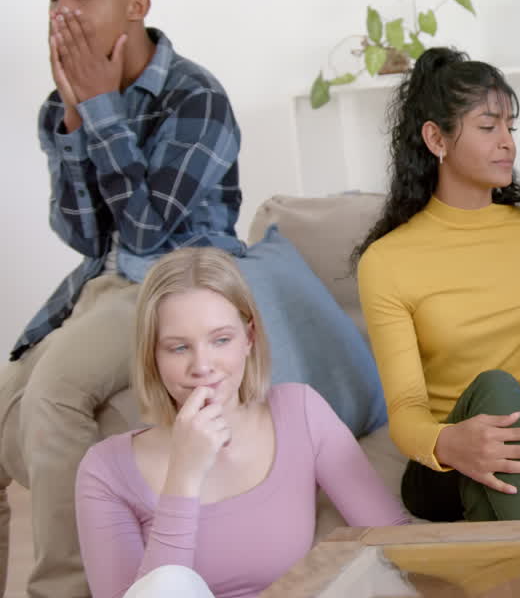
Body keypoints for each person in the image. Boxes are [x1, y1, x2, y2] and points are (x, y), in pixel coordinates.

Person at [0, 0, 243, 598]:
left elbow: (147, 233)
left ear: (136, 6)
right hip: (107, 279)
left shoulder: (195, 96)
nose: (62, 11)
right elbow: (81, 232)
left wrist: (103, 110)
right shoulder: (63, 102)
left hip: (179, 278)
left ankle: (64, 591)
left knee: (53, 394)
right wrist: (77, 120)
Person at [355, 47, 520, 522]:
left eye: (510, 127)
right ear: (436, 138)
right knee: (495, 401)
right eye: (488, 127)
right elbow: (406, 409)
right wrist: (451, 442)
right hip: (443, 457)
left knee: (501, 454)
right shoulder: (386, 260)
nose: (508, 143)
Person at [74, 247, 409, 598]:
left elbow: (394, 542)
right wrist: (184, 478)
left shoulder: (300, 411)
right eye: (178, 348)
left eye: (221, 339)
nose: (202, 366)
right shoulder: (105, 470)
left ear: (249, 338)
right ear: (152, 355)